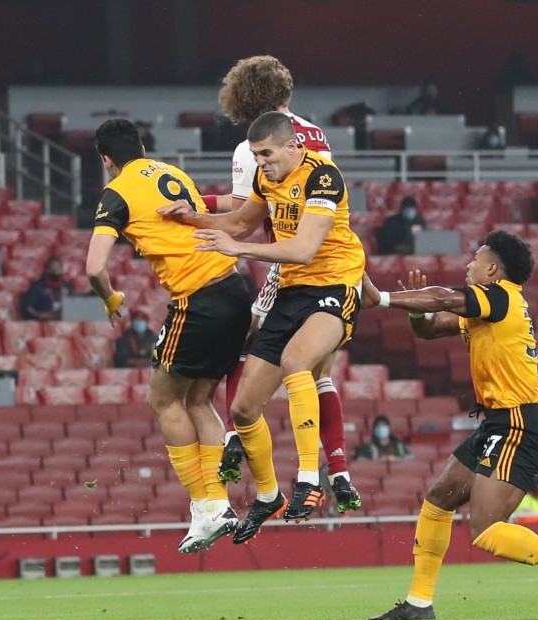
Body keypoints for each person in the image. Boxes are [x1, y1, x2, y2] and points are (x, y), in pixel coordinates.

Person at [365, 230, 538, 620]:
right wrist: (414, 311)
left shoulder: (499, 296)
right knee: (438, 500)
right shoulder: (489, 308)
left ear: (492, 269)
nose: (468, 264)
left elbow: (444, 298)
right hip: (498, 422)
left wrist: (382, 299)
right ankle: (418, 602)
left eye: (475, 258)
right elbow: (430, 327)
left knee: (485, 530)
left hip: (518, 423)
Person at [160, 111, 366, 541]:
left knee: (298, 361)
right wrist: (193, 216)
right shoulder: (264, 178)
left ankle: (310, 480)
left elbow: (306, 248)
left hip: (334, 284)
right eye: (255, 155)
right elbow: (237, 222)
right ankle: (270, 495)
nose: (261, 162)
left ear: (293, 146)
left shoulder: (323, 177)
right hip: (291, 292)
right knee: (242, 409)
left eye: (266, 154)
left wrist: (239, 248)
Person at [204, 55, 361, 517]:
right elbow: (327, 201)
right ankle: (338, 470)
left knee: (245, 340)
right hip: (334, 252)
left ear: (243, 98)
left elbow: (240, 214)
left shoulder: (250, 147)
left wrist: (192, 202)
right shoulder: (313, 134)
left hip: (289, 260)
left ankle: (238, 439)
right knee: (318, 371)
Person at [86, 118, 251, 553]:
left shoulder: (117, 191)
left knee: (162, 399)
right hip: (235, 289)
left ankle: (205, 505)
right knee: (198, 400)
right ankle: (218, 506)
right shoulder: (172, 173)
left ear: (107, 160)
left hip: (199, 298)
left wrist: (110, 298)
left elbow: (93, 267)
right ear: (142, 147)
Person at [21, 256, 74, 321]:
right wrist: (39, 315)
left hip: (64, 321)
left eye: (58, 268)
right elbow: (27, 307)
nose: (55, 271)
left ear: (62, 270)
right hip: (44, 321)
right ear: (46, 270)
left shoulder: (68, 286)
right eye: (52, 268)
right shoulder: (36, 286)